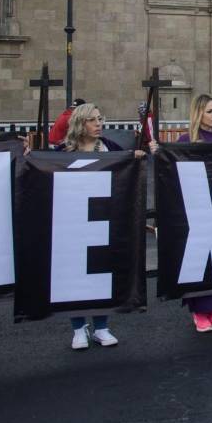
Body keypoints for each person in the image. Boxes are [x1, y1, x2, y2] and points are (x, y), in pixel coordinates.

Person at [57, 103, 146, 350]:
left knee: (102, 272)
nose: (99, 124)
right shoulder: (63, 151)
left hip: (105, 219)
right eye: (93, 120)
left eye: (100, 119)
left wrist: (135, 157)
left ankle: (101, 326)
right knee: (75, 276)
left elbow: (127, 166)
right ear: (80, 123)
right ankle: (78, 328)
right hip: (74, 222)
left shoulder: (110, 147)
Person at [173, 94, 212, 331]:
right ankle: (198, 311)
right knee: (200, 261)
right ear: (199, 113)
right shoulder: (187, 139)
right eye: (210, 111)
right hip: (197, 209)